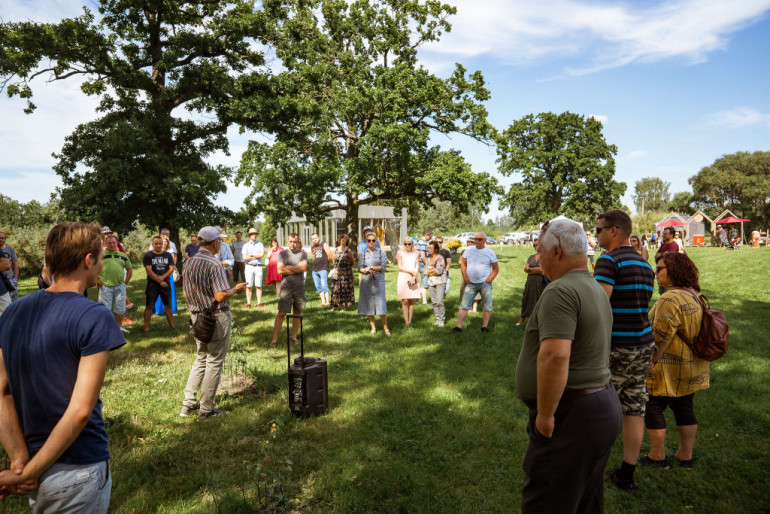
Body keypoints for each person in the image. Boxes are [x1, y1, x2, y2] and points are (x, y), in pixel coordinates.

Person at [0, 222, 125, 512]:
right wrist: (26, 471)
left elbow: (2, 391)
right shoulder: (94, 315)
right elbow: (81, 411)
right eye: (100, 257)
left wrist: (21, 460)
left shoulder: (13, 312)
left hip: (36, 464)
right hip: (79, 467)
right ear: (87, 260)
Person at [515, 217, 621, 513]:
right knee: (585, 500)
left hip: (571, 416)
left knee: (549, 501)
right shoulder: (594, 287)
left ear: (557, 251)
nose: (538, 256)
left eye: (540, 250)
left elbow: (556, 355)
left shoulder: (560, 291)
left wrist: (546, 416)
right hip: (599, 407)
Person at [594, 210, 656, 491]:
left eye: (598, 230)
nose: (596, 235)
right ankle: (627, 473)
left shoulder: (608, 261)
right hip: (643, 345)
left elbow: (599, 307)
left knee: (600, 410)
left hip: (617, 348)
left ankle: (590, 469)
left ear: (614, 230)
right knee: (634, 410)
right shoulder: (645, 264)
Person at [640, 253, 709, 469]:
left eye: (659, 269)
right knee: (684, 406)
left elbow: (660, 336)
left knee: (652, 406)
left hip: (668, 366)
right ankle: (685, 455)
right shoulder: (694, 294)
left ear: (673, 272)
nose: (655, 273)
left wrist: (651, 361)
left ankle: (657, 455)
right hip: (691, 364)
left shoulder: (669, 298)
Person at [180, 226, 247, 420]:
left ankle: (188, 404)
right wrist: (236, 290)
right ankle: (206, 409)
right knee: (214, 361)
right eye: (221, 241)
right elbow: (219, 295)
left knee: (201, 358)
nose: (221, 244)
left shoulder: (189, 263)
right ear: (215, 243)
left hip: (197, 318)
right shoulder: (214, 263)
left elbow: (185, 293)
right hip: (216, 317)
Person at [452, 232, 499, 333]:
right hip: (471, 283)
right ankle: (458, 327)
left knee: (487, 305)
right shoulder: (468, 250)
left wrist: (488, 280)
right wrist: (465, 277)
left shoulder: (490, 252)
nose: (476, 241)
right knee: (464, 305)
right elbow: (463, 264)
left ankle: (484, 327)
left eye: (479, 239)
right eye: (475, 239)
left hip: (485, 284)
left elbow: (495, 269)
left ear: (485, 241)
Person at [268, 234, 307, 348]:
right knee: (281, 313)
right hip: (286, 287)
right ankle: (274, 339)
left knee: (297, 312)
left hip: (299, 286)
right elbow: (280, 270)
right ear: (287, 241)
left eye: (295, 242)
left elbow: (302, 267)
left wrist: (288, 268)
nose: (293, 244)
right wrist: (296, 268)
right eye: (290, 241)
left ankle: (294, 337)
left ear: (298, 242)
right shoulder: (283, 254)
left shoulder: (303, 253)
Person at [97, 235, 133, 333]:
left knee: (120, 309)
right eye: (110, 243)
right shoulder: (101, 255)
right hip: (105, 287)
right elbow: (94, 269)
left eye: (114, 243)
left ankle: (119, 328)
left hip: (119, 286)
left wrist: (125, 283)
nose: (112, 245)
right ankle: (106, 329)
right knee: (105, 310)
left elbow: (130, 269)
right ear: (106, 244)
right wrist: (99, 283)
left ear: (117, 243)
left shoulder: (123, 255)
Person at [143, 236, 177, 332]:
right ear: (152, 244)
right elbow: (149, 271)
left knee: (168, 305)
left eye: (160, 243)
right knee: (149, 306)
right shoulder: (148, 256)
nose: (158, 245)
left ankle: (172, 326)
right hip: (152, 285)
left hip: (165, 284)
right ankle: (146, 328)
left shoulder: (168, 255)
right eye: (156, 243)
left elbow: (171, 268)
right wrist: (160, 281)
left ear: (163, 244)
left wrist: (162, 278)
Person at [358, 233, 389, 335]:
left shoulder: (381, 252)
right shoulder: (363, 253)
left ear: (376, 241)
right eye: (369, 240)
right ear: (366, 241)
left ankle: (385, 328)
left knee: (381, 304)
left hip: (378, 281)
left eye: (373, 240)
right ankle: (373, 328)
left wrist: (371, 268)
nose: (371, 242)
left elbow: (383, 266)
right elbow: (359, 268)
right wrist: (365, 270)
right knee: (369, 304)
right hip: (366, 281)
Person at [517, 238, 545, 326]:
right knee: (526, 299)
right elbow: (525, 269)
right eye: (534, 245)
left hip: (541, 283)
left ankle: (538, 322)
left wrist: (530, 269)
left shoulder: (545, 257)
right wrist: (534, 270)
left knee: (539, 301)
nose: (535, 247)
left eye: (537, 245)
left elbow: (543, 270)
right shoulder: (531, 257)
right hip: (530, 283)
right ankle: (521, 320)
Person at [396, 237, 420, 327]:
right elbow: (400, 267)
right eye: (405, 244)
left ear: (412, 244)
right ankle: (406, 321)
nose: (407, 246)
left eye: (409, 244)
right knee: (405, 300)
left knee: (411, 300)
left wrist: (414, 276)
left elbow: (417, 266)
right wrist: (411, 272)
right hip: (404, 276)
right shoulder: (400, 253)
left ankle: (410, 320)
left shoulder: (416, 253)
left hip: (413, 276)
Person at [153, 237, 178, 317]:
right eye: (162, 242)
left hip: (168, 273)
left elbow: (173, 263)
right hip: (158, 273)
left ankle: (172, 310)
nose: (164, 243)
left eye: (165, 242)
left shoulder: (170, 251)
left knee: (170, 291)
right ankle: (159, 310)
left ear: (168, 243)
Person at [330, 234, 355, 311]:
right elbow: (334, 260)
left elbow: (352, 262)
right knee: (335, 289)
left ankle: (343, 306)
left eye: (344, 239)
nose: (343, 240)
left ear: (347, 241)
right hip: (337, 273)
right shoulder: (335, 250)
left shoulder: (348, 250)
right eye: (341, 239)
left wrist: (346, 268)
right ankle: (335, 306)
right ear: (339, 240)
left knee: (344, 289)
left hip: (346, 274)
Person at [241, 228, 265, 309]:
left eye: (255, 234)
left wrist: (250, 255)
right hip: (249, 267)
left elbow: (261, 255)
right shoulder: (245, 245)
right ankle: (248, 303)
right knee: (249, 286)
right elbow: (244, 257)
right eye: (252, 234)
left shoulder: (260, 244)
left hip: (258, 267)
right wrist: (255, 256)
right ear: (249, 235)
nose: (254, 235)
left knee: (258, 285)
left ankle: (259, 303)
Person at [425, 241, 447, 327]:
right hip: (431, 282)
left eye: (430, 248)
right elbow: (425, 271)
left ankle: (442, 320)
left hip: (440, 282)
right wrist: (433, 270)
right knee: (434, 302)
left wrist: (430, 271)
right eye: (428, 248)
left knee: (439, 301)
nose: (428, 249)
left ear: (436, 249)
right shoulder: (428, 259)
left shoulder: (440, 258)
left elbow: (439, 271)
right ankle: (437, 319)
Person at [310, 233, 334, 307]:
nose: (315, 239)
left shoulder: (324, 244)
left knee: (324, 285)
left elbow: (329, 255)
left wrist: (325, 263)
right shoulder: (312, 247)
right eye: (313, 239)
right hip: (315, 270)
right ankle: (323, 301)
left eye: (316, 237)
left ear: (318, 237)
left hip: (323, 268)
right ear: (312, 240)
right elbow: (313, 256)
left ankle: (327, 302)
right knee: (318, 286)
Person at [414, 230, 432, 305]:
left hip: (420, 264)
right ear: (426, 235)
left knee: (422, 283)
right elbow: (423, 256)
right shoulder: (422, 243)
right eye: (430, 236)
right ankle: (424, 301)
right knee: (425, 284)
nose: (430, 238)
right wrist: (427, 265)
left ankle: (416, 300)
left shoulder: (421, 242)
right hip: (423, 265)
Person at [0, 232, 19, 302]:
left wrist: (15, 278)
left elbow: (15, 264)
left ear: (5, 239)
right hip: (1, 281)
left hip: (10, 279)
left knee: (14, 302)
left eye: (2, 238)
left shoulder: (10, 248)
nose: (1, 240)